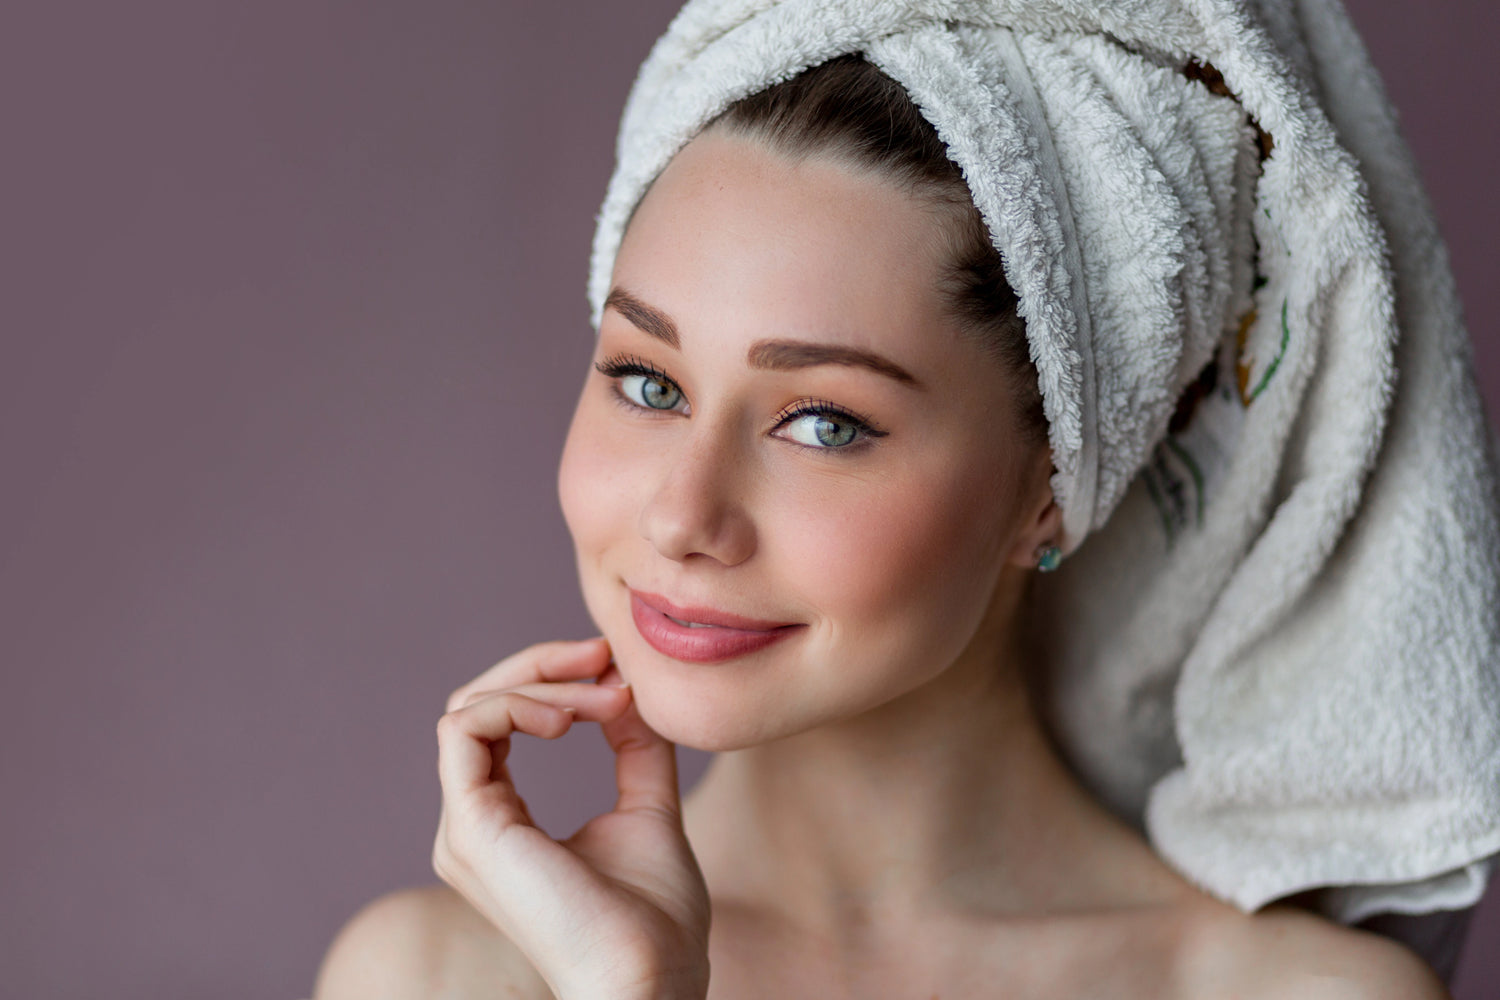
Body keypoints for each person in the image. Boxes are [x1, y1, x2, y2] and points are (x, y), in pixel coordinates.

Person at [312, 2, 1500, 997]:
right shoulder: (437, 976)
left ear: (1052, 484)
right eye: (647, 379)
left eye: (824, 421)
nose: (682, 518)